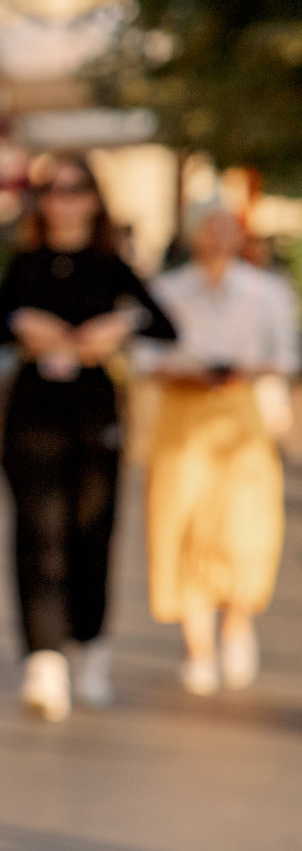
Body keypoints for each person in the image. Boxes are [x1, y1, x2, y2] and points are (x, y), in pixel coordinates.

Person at [0, 156, 175, 720]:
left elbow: (164, 323)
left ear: (94, 199)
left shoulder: (113, 265)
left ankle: (90, 645)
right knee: (37, 532)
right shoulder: (22, 264)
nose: (64, 200)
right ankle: (44, 659)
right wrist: (26, 326)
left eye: (75, 190)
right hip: (33, 415)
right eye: (53, 191)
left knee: (92, 532)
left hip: (95, 418)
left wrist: (117, 327)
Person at [141, 208, 295, 694]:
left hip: (240, 414)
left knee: (245, 526)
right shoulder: (168, 291)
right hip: (183, 415)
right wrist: (187, 372)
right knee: (181, 523)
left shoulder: (266, 291)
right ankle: (199, 646)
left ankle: (235, 623)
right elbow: (146, 356)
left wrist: (246, 371)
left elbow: (286, 355)